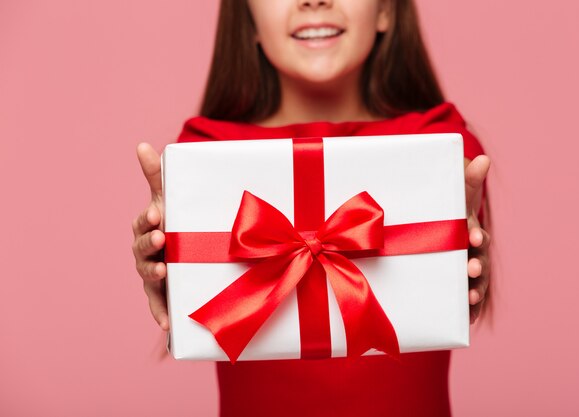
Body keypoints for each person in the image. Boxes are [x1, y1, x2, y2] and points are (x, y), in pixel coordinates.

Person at [131, 0, 492, 415]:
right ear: (247, 20)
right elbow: (193, 274)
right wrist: (166, 264)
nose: (314, 0)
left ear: (386, 11)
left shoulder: (444, 149)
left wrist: (466, 246)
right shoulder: (201, 152)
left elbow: (457, 258)